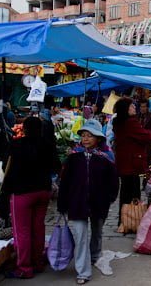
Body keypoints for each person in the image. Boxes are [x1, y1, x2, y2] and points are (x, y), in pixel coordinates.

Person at [57, 119, 119, 284]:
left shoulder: (106, 157)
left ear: (98, 138)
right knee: (81, 236)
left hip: (99, 203)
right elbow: (65, 182)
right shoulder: (73, 157)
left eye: (89, 136)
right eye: (83, 135)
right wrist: (62, 203)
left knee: (97, 232)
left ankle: (94, 255)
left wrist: (110, 197)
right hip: (77, 203)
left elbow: (113, 181)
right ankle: (83, 271)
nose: (85, 139)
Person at [2, 117, 60, 279]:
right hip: (43, 191)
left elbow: (5, 166)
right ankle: (38, 262)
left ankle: (24, 268)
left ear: (24, 129)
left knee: (22, 231)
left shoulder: (16, 145)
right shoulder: (48, 145)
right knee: (38, 228)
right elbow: (56, 166)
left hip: (22, 193)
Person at [112, 98, 151, 229]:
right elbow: (146, 136)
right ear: (125, 109)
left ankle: (124, 221)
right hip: (131, 161)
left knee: (125, 190)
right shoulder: (130, 123)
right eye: (131, 106)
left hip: (124, 160)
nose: (134, 108)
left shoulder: (118, 121)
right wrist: (149, 132)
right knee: (132, 192)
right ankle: (130, 221)